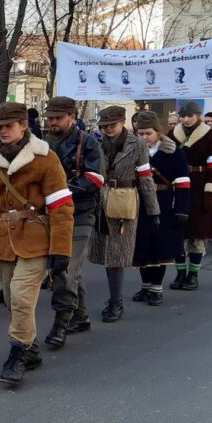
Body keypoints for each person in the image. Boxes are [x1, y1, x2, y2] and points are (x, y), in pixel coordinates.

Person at [0, 102, 74, 385]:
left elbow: (62, 206)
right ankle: (31, 350)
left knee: (21, 296)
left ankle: (17, 352)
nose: (3, 131)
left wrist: (61, 249)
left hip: (36, 238)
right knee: (10, 299)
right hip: (2, 238)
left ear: (23, 126)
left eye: (8, 126)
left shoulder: (45, 158)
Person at [41, 96, 104, 348]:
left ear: (72, 117)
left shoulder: (88, 143)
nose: (53, 122)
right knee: (70, 269)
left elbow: (95, 178)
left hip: (80, 213)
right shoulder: (42, 144)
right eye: (50, 118)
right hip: (50, 215)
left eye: (58, 118)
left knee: (65, 269)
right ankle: (81, 315)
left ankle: (61, 323)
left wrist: (62, 192)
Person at [88, 106, 160, 322]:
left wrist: (153, 209)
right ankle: (111, 300)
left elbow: (146, 178)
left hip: (124, 201)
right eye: (104, 126)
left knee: (117, 256)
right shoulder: (96, 143)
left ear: (122, 123)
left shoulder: (137, 145)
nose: (108, 129)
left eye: (112, 125)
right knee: (106, 254)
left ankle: (116, 302)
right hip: (100, 200)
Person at [132, 111, 190, 305]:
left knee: (160, 246)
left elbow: (182, 182)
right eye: (140, 133)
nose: (144, 137)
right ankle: (145, 285)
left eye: (148, 133)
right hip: (139, 202)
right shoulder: (133, 152)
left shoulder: (174, 152)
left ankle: (157, 288)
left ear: (158, 132)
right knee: (142, 245)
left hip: (164, 201)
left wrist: (181, 209)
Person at [170, 101, 212, 290]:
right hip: (178, 185)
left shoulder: (210, 135)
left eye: (189, 116)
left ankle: (193, 274)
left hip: (200, 186)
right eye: (182, 116)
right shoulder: (172, 134)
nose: (185, 120)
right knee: (178, 233)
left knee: (197, 233)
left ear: (197, 116)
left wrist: (211, 192)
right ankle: (180, 273)